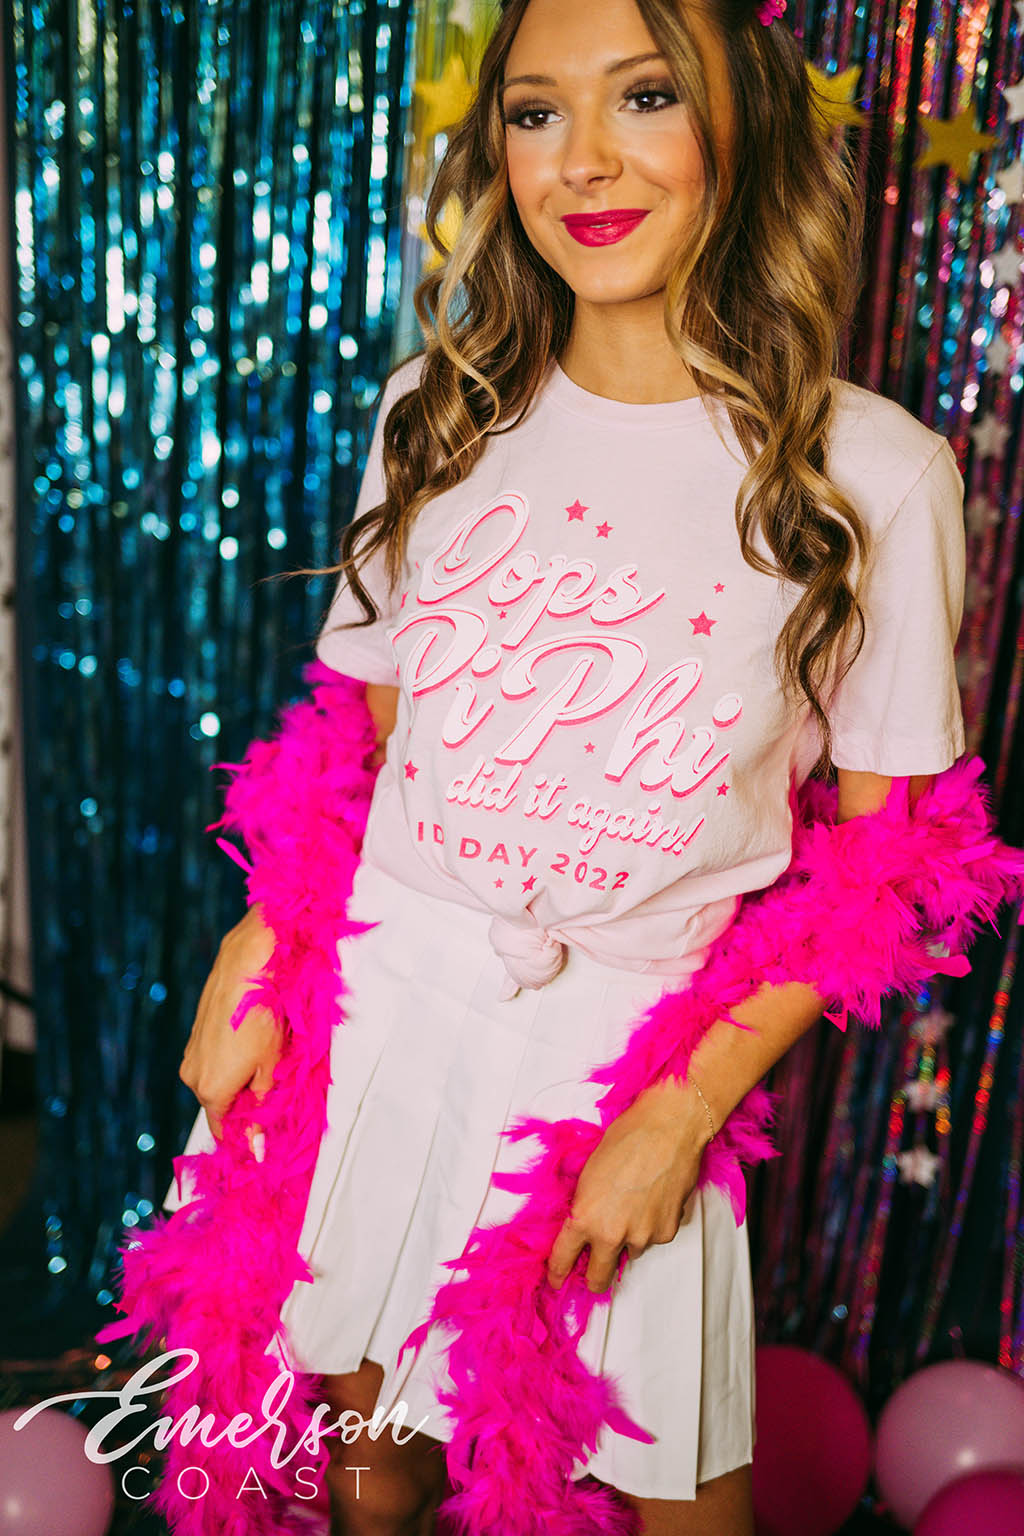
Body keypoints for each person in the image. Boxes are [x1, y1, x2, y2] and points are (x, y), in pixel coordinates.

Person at [164, 0, 966, 1531]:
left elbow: (889, 864)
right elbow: (363, 734)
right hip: (381, 1007)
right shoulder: (437, 414)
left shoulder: (873, 476)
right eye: (536, 112)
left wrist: (680, 1110)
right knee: (372, 1476)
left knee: (676, 1499)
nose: (583, 159)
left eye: (644, 96)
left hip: (631, 1060)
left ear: (743, 125)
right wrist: (266, 934)